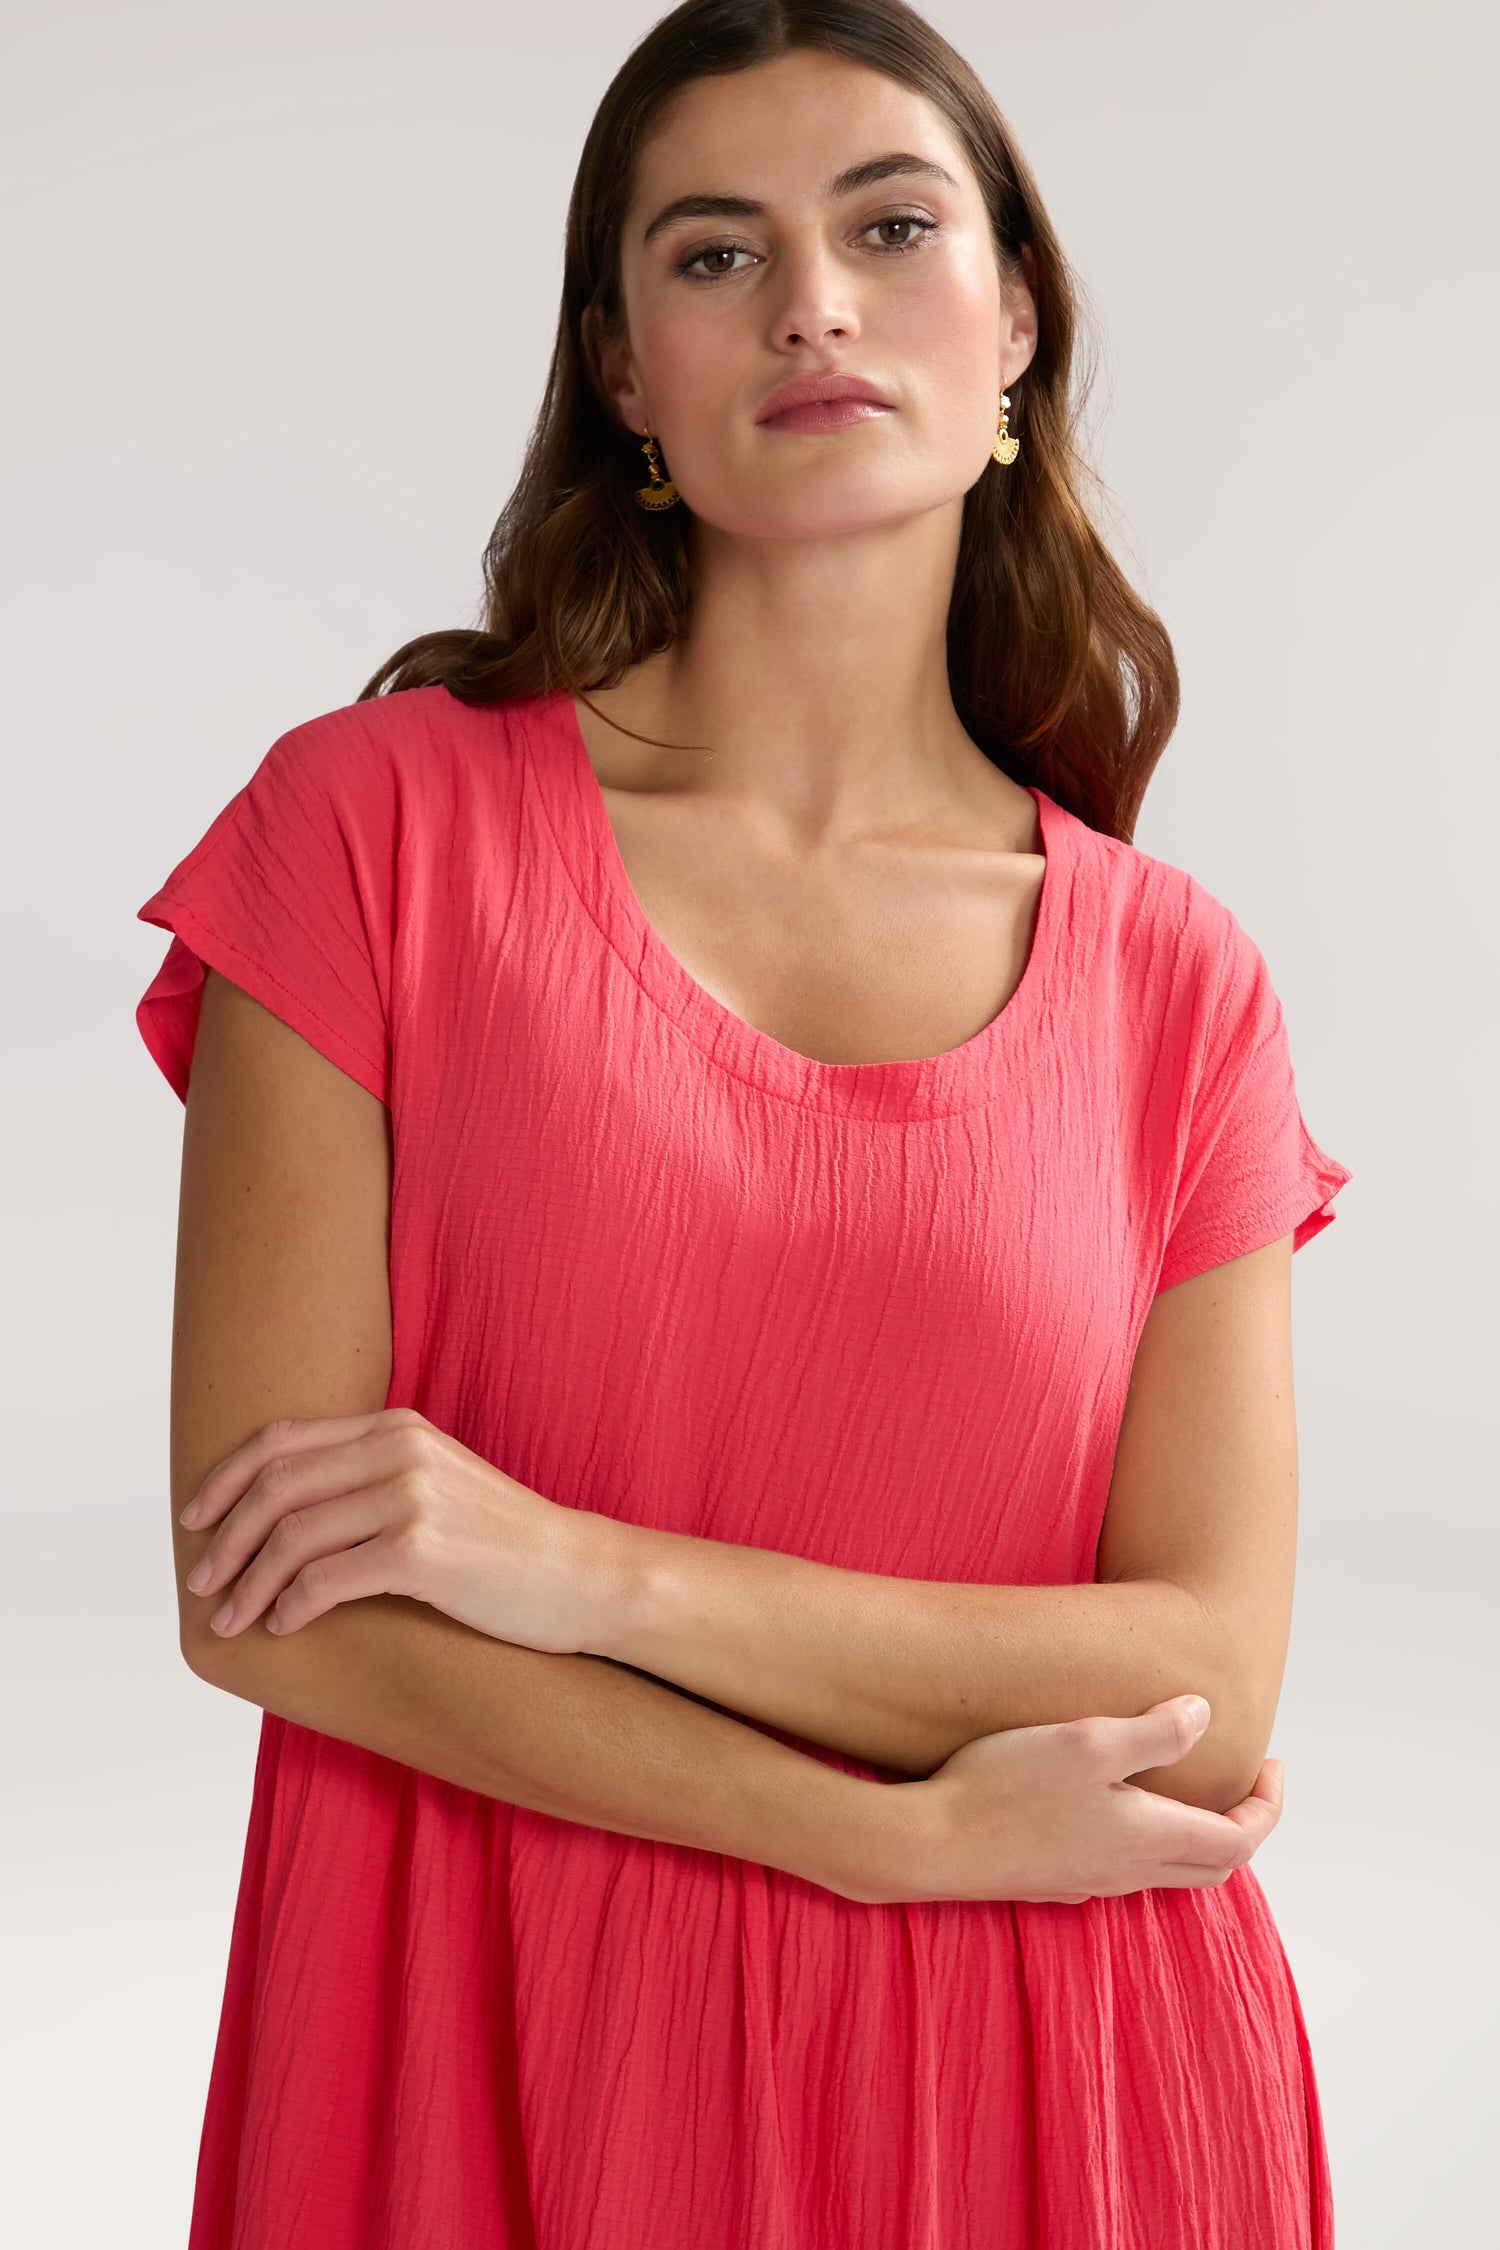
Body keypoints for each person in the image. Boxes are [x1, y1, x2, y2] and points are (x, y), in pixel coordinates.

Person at [134, 2, 1352, 2243]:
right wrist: (879, 1832)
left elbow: (1200, 1681)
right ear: (622, 373)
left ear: (1014, 326)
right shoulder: (372, 839)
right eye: (714, 253)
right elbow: (270, 1608)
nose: (810, 299)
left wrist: (575, 1570)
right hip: (481, 2048)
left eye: (889, 226)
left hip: (1063, 2087)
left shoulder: (1179, 981)